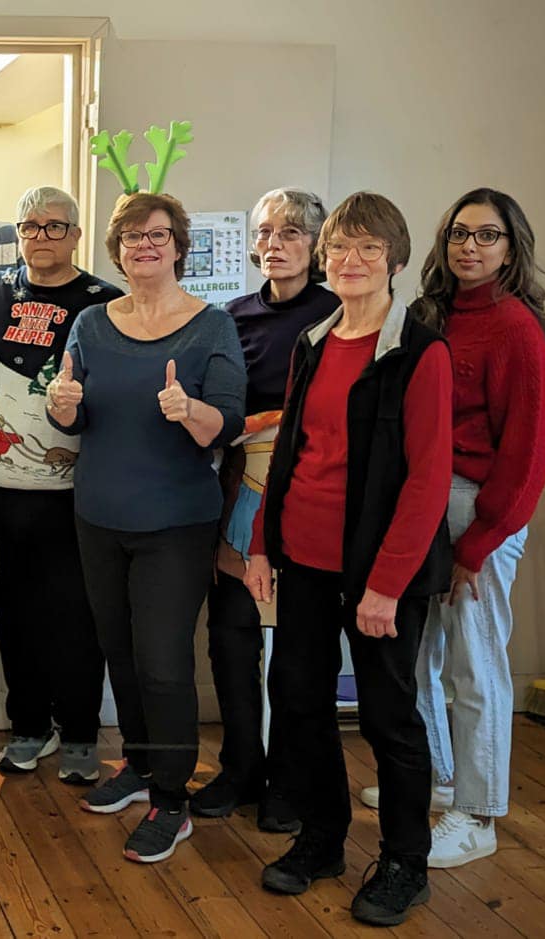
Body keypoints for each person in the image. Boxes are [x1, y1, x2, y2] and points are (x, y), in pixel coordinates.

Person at [244, 192, 453, 926]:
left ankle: (404, 861)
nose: (351, 261)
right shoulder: (313, 340)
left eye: (368, 248)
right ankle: (322, 836)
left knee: (387, 717)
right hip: (300, 555)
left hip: (380, 573)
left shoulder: (420, 350)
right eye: (339, 248)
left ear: (394, 260)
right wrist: (262, 543)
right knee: (297, 700)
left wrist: (385, 585)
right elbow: (290, 451)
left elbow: (427, 479)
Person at [47, 192, 246, 863]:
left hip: (174, 524)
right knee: (121, 653)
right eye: (130, 237)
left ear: (179, 245)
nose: (143, 245)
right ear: (116, 249)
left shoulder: (209, 326)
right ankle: (136, 762)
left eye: (156, 235)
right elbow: (73, 417)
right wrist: (61, 406)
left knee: (162, 664)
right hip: (97, 517)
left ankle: (171, 797)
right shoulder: (91, 323)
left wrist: (187, 409)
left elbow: (226, 423)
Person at [391, 189, 545, 868]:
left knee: (473, 662)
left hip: (478, 507)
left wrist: (479, 542)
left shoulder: (515, 327)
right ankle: (442, 778)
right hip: (425, 498)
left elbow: (526, 455)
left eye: (487, 236)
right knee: (421, 653)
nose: (469, 247)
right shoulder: (431, 315)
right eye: (459, 233)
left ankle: (478, 813)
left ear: (510, 248)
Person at [193, 188, 335, 831]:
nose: (273, 244)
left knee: (299, 650)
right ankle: (242, 766)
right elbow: (221, 407)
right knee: (231, 637)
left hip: (306, 495)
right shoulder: (232, 315)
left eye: (291, 232)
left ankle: (291, 777)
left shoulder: (337, 312)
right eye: (264, 232)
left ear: (317, 242)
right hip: (238, 495)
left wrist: (268, 422)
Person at [0, 186, 121, 782]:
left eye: (54, 227)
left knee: (77, 615)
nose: (40, 237)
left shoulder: (104, 303)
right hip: (0, 489)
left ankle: (81, 734)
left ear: (77, 236)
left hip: (74, 495)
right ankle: (28, 727)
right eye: (29, 226)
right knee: (13, 613)